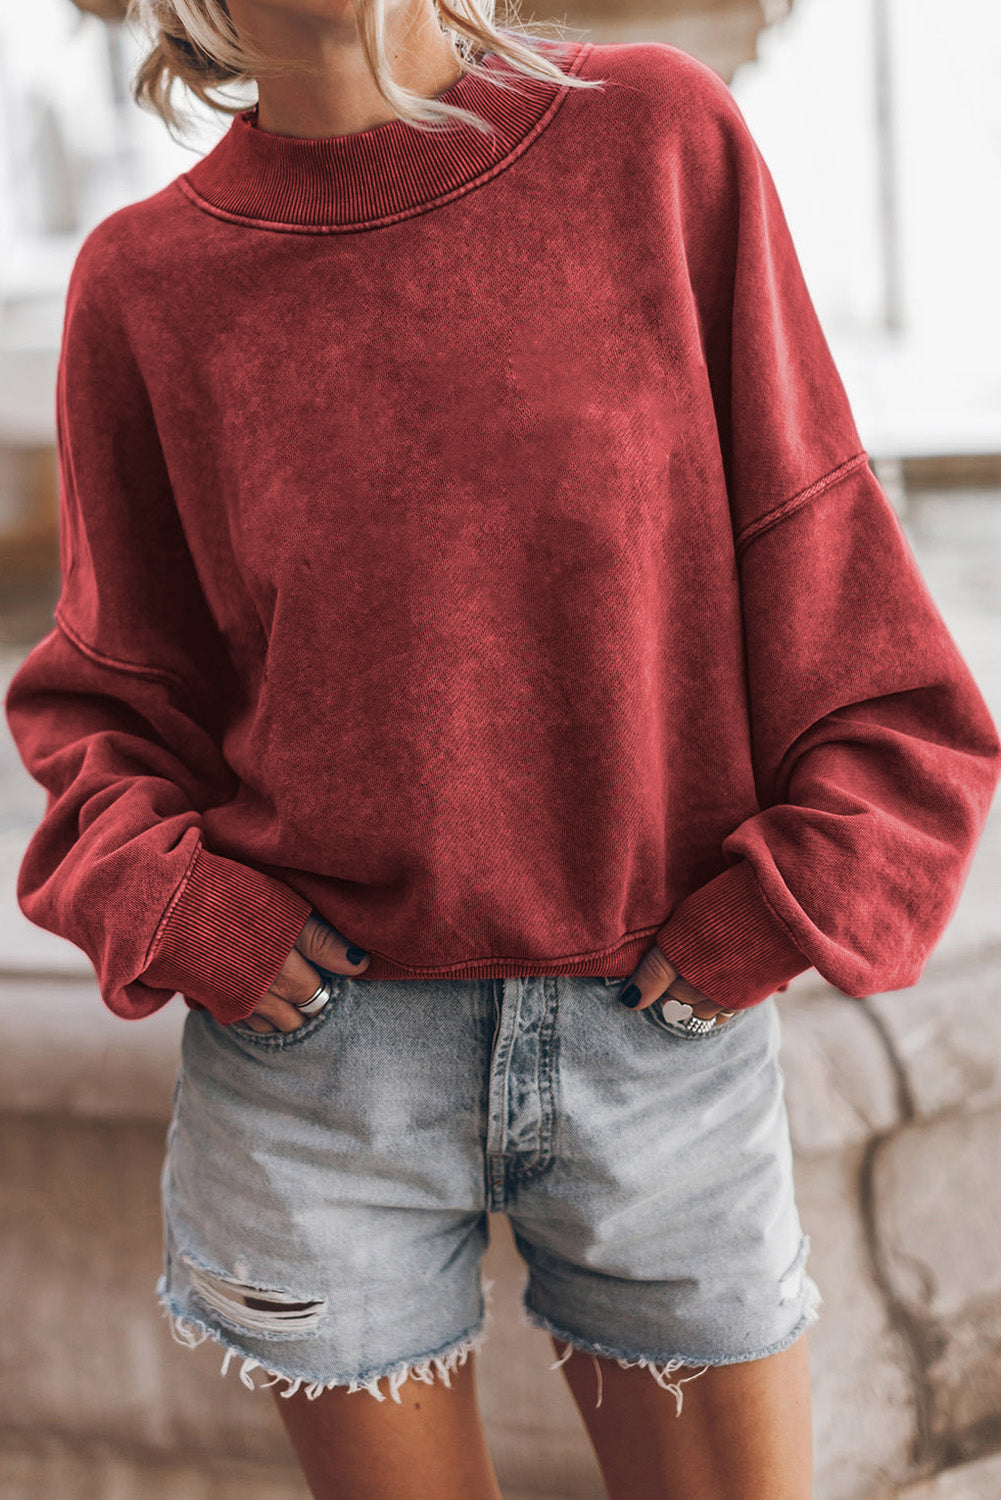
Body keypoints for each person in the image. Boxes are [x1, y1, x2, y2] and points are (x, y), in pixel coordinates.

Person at [5, 2, 999, 1497]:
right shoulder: (146, 288)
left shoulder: (658, 143)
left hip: (654, 1036)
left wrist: (785, 905)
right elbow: (100, 708)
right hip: (317, 1074)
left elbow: (838, 593)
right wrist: (179, 906)